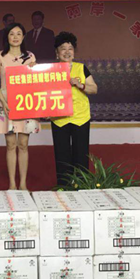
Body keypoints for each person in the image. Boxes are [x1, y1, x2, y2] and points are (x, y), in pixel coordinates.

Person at [0, 23, 40, 190]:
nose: (15, 37)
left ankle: (23, 184)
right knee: (11, 144)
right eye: (12, 33)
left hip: (26, 102)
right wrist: (4, 102)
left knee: (23, 144)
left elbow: (36, 81)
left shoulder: (30, 57)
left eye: (19, 33)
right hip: (6, 103)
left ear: (23, 37)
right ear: (7, 37)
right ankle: (12, 184)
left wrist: (35, 69)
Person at [50, 32, 98, 187]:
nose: (67, 52)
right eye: (63, 48)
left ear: (74, 51)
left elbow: (94, 89)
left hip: (80, 117)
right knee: (61, 154)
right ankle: (64, 186)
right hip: (59, 118)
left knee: (81, 153)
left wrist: (80, 85)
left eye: (70, 48)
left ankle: (82, 184)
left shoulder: (81, 68)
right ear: (57, 52)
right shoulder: (50, 71)